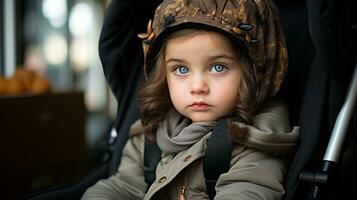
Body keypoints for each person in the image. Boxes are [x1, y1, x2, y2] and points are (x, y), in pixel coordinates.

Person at [81, 0, 300, 199]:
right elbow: (121, 187)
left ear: (253, 74)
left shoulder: (257, 140)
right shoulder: (150, 134)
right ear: (163, 76)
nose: (197, 87)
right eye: (181, 69)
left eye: (218, 67)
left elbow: (247, 192)